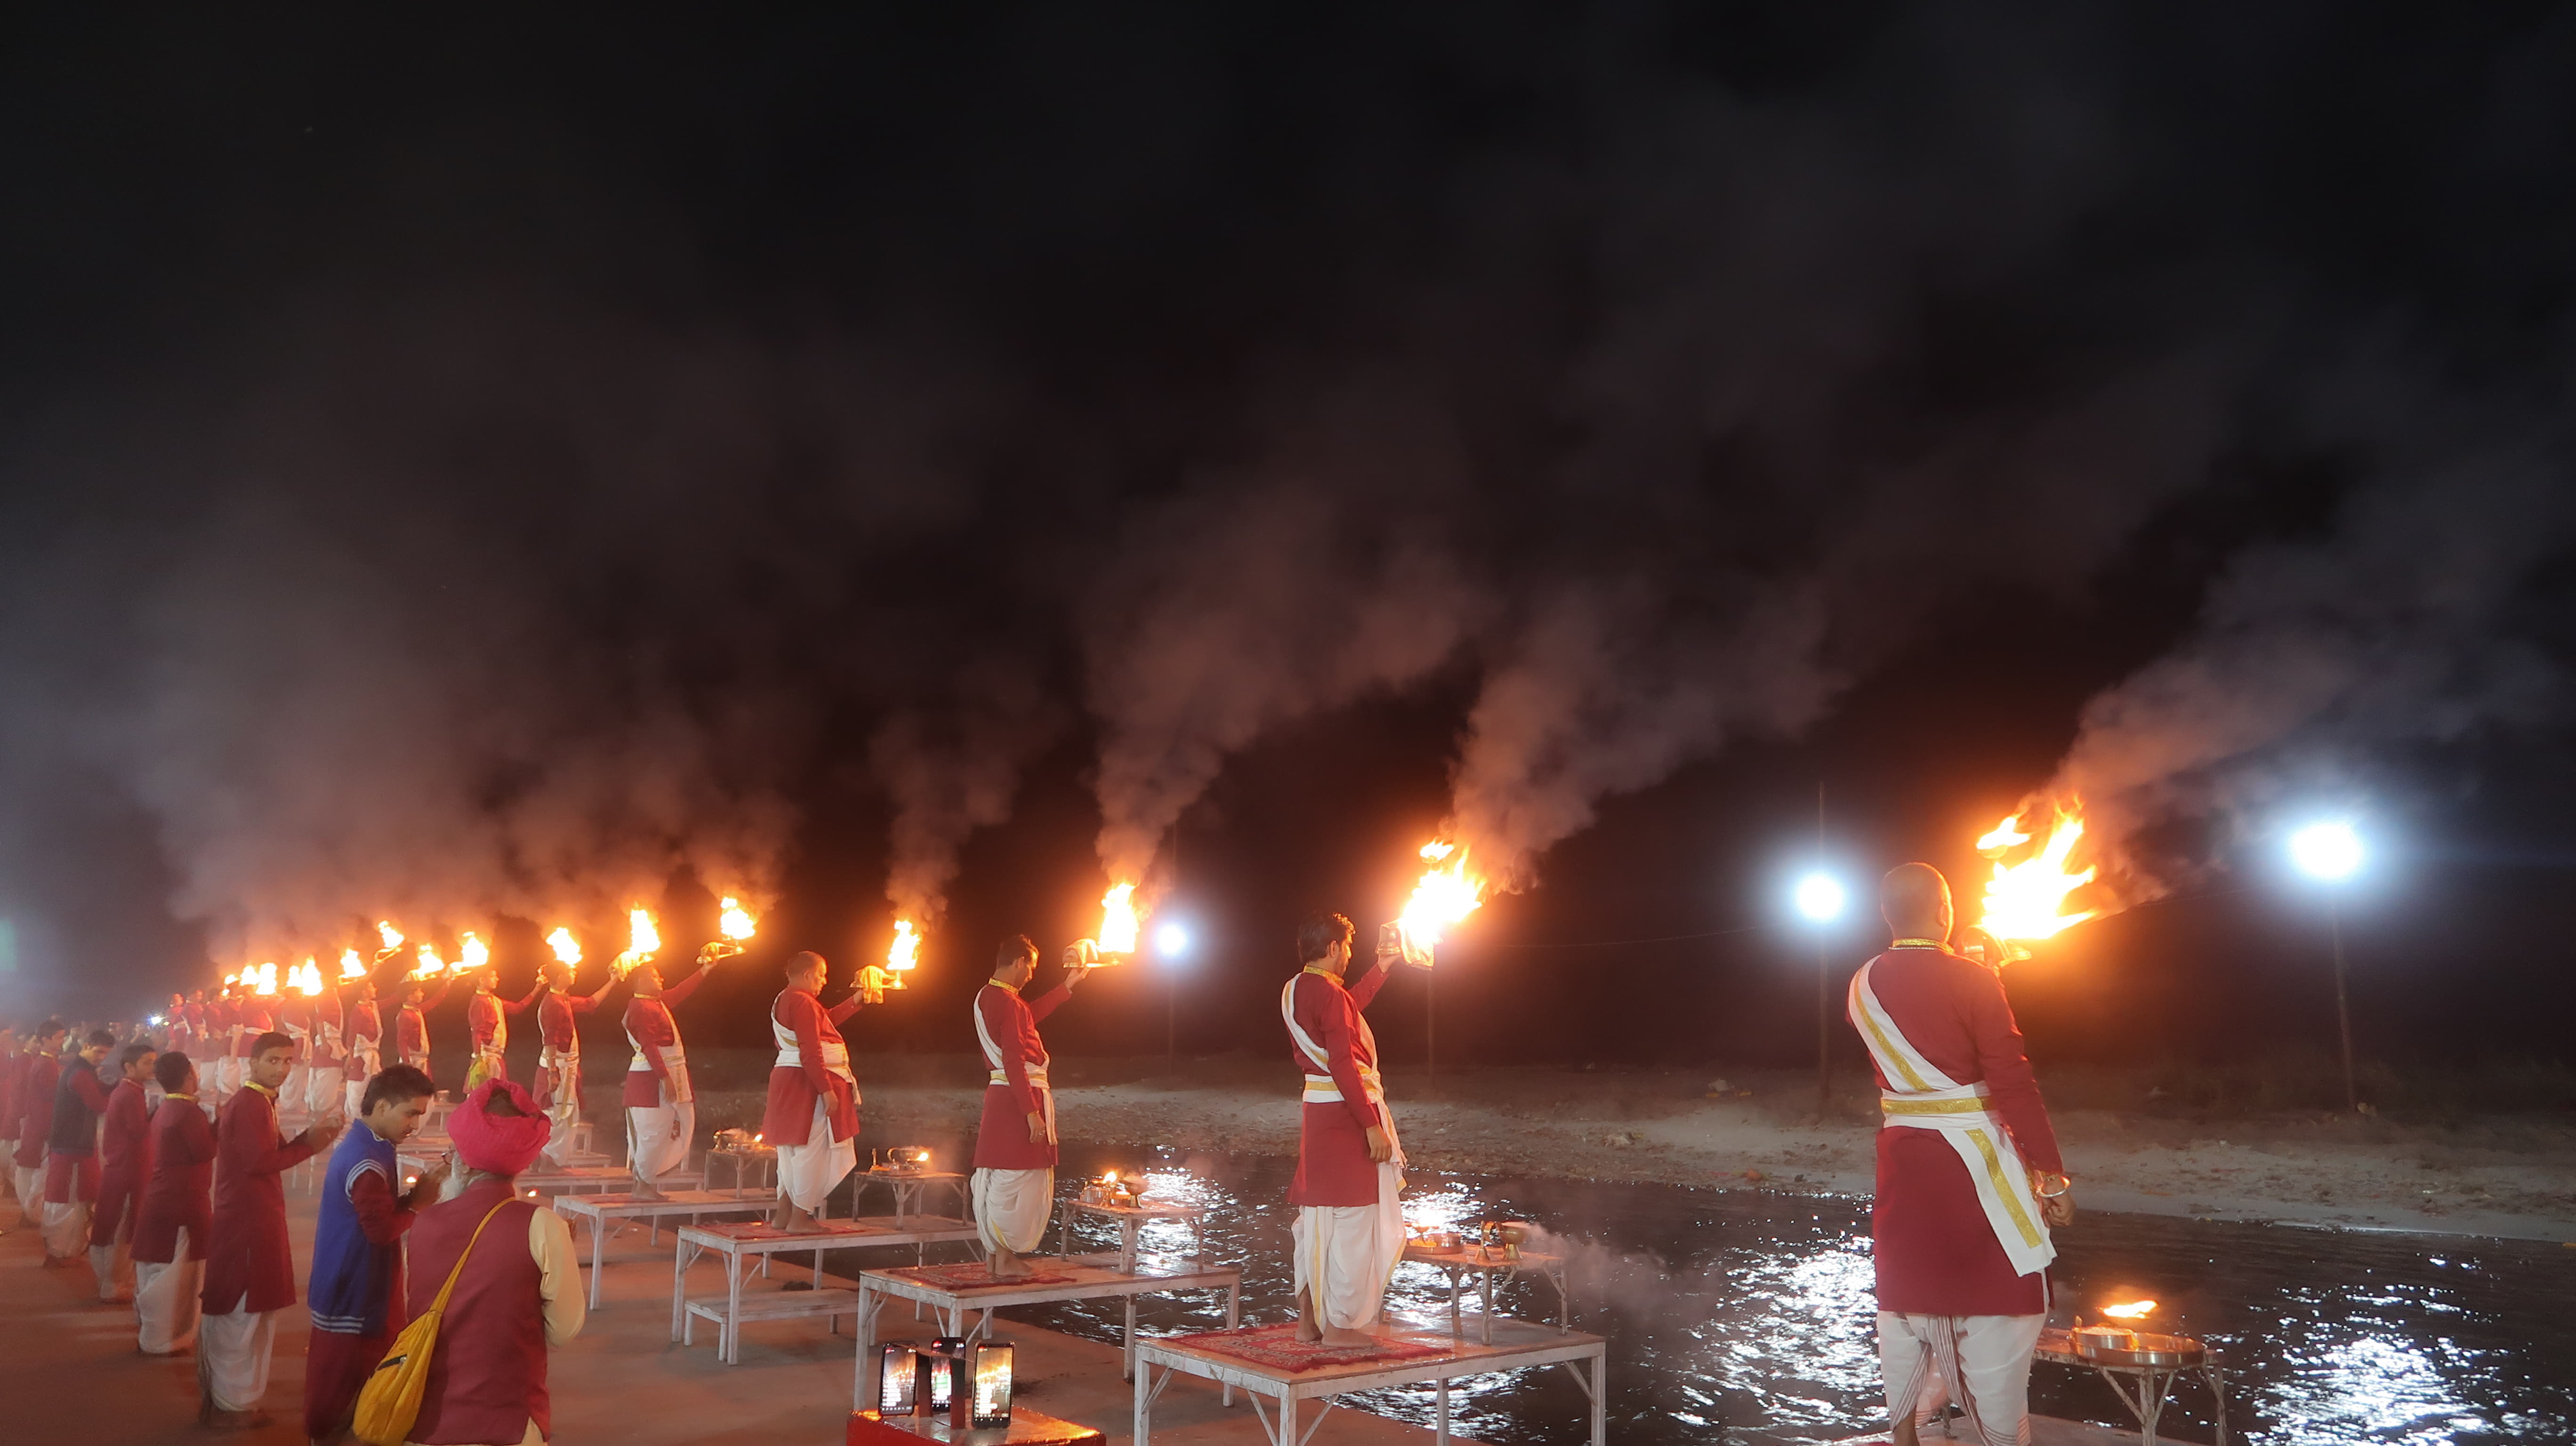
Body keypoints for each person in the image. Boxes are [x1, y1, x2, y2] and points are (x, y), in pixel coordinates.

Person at [1849, 862, 2077, 1446]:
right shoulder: (1972, 980)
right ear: (1946, 911)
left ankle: (1905, 1435)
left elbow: (1927, 1033)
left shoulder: (1860, 983)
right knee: (2005, 1291)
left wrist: (1983, 971)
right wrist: (2050, 1176)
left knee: (1909, 1289)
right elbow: (2009, 1078)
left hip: (1904, 1161)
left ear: (1885, 915)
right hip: (1972, 1162)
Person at [402, 1078, 585, 1446]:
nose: (449, 1158)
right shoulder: (543, 1225)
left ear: (464, 1166)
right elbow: (564, 1330)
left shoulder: (424, 1223)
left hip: (424, 1422)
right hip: (508, 1423)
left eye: (454, 1150)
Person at [199, 1030, 343, 1430]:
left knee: (254, 1312)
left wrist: (313, 1137)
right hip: (247, 1220)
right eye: (273, 1061)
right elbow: (260, 1162)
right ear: (252, 1062)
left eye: (287, 1062)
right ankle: (231, 1403)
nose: (281, 1069)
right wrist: (313, 1143)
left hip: (256, 1214)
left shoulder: (260, 1102)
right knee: (243, 1311)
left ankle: (236, 1401)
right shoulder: (249, 1105)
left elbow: (273, 1154)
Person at [304, 1064, 447, 1446]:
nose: (414, 1125)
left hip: (352, 1279)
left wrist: (413, 1201)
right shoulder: (366, 1160)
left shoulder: (371, 1146)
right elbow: (380, 1229)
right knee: (346, 1385)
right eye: (410, 1113)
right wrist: (417, 1206)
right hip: (353, 1287)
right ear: (382, 1106)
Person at [1283, 912, 1406, 1345]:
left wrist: (1383, 968)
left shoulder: (1298, 987)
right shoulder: (1328, 995)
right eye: (1349, 948)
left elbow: (1347, 1010)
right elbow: (1341, 1062)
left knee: (1315, 1221)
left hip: (1317, 1117)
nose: (1350, 955)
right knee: (1353, 1221)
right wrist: (1371, 1125)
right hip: (1342, 1116)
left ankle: (1307, 1324)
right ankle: (1340, 1327)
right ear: (1333, 947)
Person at [969, 935, 1093, 1276]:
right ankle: (1005, 1259)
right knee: (1017, 1178)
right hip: (1016, 1099)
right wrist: (1031, 1112)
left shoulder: (989, 996)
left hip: (1003, 1097)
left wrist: (1067, 986)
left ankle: (996, 1258)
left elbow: (1028, 1017)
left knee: (998, 1177)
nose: (1031, 976)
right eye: (1031, 968)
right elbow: (1013, 1060)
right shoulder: (1008, 1003)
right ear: (1020, 962)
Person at [763, 950, 866, 1233]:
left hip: (788, 1078)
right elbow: (811, 1050)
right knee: (811, 1149)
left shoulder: (786, 998)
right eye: (821, 975)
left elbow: (826, 1021)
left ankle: (783, 1215)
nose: (823, 982)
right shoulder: (804, 1002)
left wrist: (857, 1000)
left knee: (789, 1151)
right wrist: (826, 1090)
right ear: (807, 974)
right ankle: (800, 1219)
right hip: (806, 1082)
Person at [135, 1050, 217, 1357]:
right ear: (188, 1076)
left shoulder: (166, 1108)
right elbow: (204, 1151)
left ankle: (156, 1334)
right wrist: (220, 1123)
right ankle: (165, 1339)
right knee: (178, 1276)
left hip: (163, 1195)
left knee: (158, 1268)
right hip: (182, 1201)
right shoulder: (187, 1112)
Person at [621, 951, 722, 1199]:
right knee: (653, 1134)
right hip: (650, 1080)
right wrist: (664, 1077)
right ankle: (643, 1185)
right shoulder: (641, 1007)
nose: (662, 979)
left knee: (677, 1125)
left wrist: (706, 969)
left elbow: (680, 991)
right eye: (656, 976)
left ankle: (645, 1180)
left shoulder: (654, 1002)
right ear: (642, 981)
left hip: (666, 1075)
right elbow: (649, 1045)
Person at [41, 1028, 117, 1266]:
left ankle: (64, 1250)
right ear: (85, 1045)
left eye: (105, 1053)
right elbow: (98, 1103)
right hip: (72, 1147)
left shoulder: (82, 1070)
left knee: (73, 1200)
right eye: (98, 1052)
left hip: (72, 1145)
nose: (101, 1057)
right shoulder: (81, 1074)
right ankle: (57, 1252)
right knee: (67, 1201)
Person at [533, 951, 616, 1168]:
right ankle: (546, 1158)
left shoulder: (563, 1000)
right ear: (560, 976)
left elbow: (590, 1004)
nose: (574, 973)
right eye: (570, 971)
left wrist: (614, 980)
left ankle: (550, 1158)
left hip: (565, 1067)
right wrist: (553, 1072)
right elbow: (549, 1039)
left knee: (566, 1113)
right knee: (557, 1114)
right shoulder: (553, 1003)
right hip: (558, 1067)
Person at [92, 1039, 159, 1301]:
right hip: (128, 1169)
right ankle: (113, 1285)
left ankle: (114, 1282)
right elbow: (139, 1130)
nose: (152, 1067)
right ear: (129, 1067)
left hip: (126, 1167)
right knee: (122, 1226)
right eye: (147, 1063)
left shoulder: (131, 1091)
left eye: (154, 1062)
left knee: (118, 1223)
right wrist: (158, 1114)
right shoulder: (130, 1093)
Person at [13, 1019, 69, 1224]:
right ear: (45, 1039)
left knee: (35, 1174)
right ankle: (32, 1215)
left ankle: (30, 1214)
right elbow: (50, 1099)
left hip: (37, 1126)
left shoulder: (46, 1062)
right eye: (59, 1038)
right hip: (42, 1128)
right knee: (39, 1175)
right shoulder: (45, 1064)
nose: (62, 1042)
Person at [463, 965, 541, 1092]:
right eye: (493, 976)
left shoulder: (495, 1001)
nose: (497, 979)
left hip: (496, 1057)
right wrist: (478, 1059)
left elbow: (518, 1008)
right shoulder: (479, 1002)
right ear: (482, 980)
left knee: (497, 1098)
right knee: (481, 1098)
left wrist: (537, 989)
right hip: (486, 1058)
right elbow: (477, 1032)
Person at [343, 973, 386, 1120]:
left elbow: (395, 998)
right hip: (361, 1056)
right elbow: (351, 1035)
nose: (375, 989)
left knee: (373, 1089)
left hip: (372, 1056)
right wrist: (350, 1057)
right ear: (363, 991)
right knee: (358, 1090)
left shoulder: (373, 1007)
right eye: (371, 987)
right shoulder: (358, 1010)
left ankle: (367, 1120)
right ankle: (355, 1121)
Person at [396, 973, 453, 1078]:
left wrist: (449, 983)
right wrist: (407, 1063)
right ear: (410, 997)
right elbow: (402, 1041)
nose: (422, 994)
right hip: (413, 1062)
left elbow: (435, 1001)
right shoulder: (406, 1015)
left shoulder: (417, 1011)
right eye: (419, 991)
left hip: (421, 1061)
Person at [0, 1022, 25, 1204]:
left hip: (9, 1110)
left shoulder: (11, 1057)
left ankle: (9, 1186)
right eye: (6, 1036)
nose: (10, 1040)